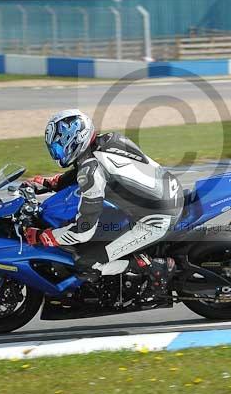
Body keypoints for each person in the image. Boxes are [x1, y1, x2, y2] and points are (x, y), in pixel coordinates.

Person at [22, 109, 184, 294]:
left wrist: (45, 236)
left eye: (58, 147)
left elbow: (83, 231)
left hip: (156, 218)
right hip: (168, 191)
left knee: (88, 261)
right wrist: (54, 183)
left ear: (75, 139)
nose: (57, 153)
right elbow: (87, 168)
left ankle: (154, 266)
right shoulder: (108, 140)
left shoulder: (91, 173)